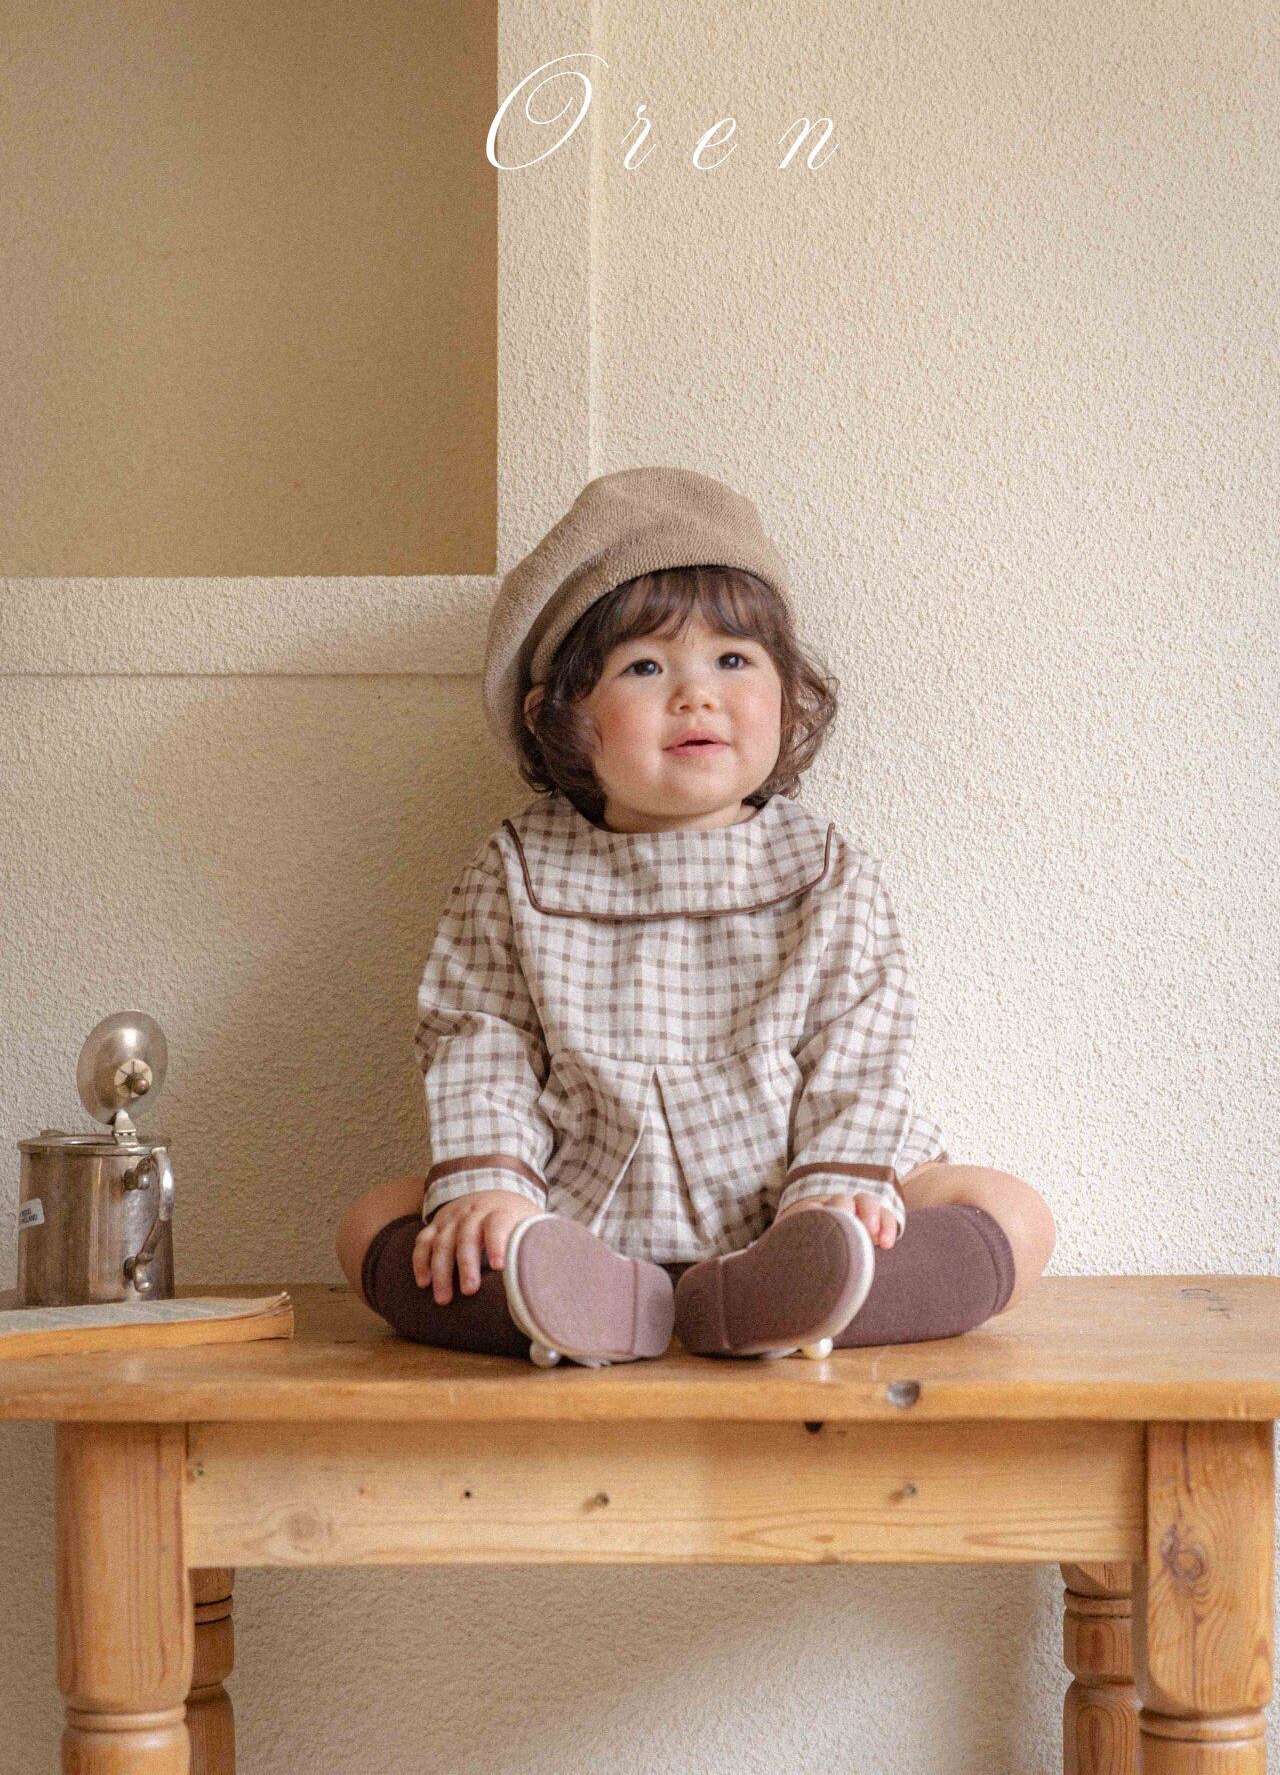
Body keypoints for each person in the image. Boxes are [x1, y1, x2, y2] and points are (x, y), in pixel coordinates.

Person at [335, 466, 1055, 1367]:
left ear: (788, 692)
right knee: (372, 1221)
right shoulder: (518, 868)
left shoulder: (823, 869)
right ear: (560, 717)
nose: (696, 694)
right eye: (645, 666)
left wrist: (833, 1186)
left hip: (794, 1203)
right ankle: (579, 1299)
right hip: (578, 1209)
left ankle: (797, 1291)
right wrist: (495, 1187)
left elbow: (861, 1046)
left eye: (733, 660)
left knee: (1016, 1212)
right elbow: (480, 1039)